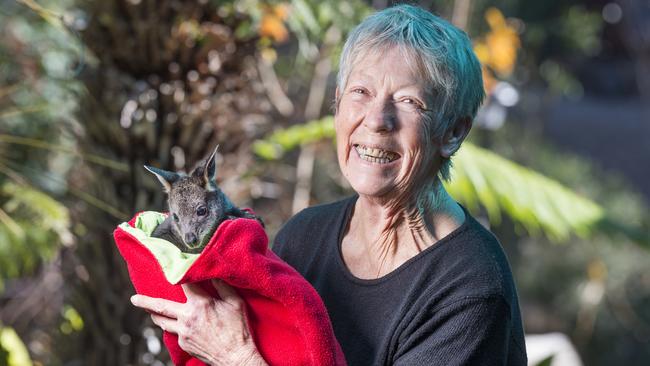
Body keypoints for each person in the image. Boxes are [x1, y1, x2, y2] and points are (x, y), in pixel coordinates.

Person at [130, 4, 527, 365]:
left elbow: (241, 349)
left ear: (453, 132)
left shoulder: (470, 290)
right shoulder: (304, 235)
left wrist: (236, 357)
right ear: (337, 104)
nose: (376, 119)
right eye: (361, 92)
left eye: (409, 102)